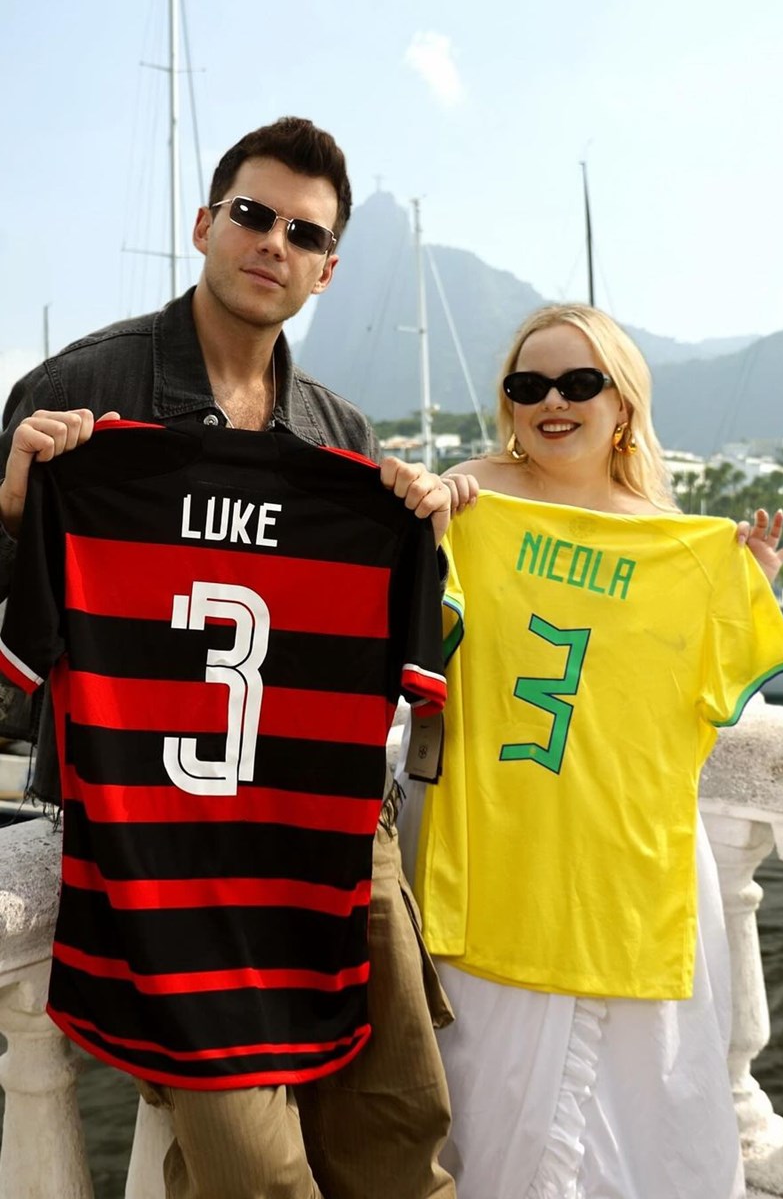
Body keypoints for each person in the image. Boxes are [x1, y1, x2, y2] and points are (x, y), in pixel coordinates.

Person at [0, 117, 456, 1199]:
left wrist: (423, 526)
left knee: (399, 1121)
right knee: (254, 1173)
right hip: (164, 851)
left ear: (327, 268)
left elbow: (423, 647)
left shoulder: (338, 438)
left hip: (331, 830)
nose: (273, 244)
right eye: (252, 216)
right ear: (204, 224)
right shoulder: (81, 396)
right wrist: (16, 509)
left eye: (303, 233)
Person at [401, 303, 783, 1199]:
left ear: (621, 403)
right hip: (498, 857)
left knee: (644, 1115)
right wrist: (427, 521)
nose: (553, 401)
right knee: (486, 1105)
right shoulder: (471, 498)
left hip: (625, 870)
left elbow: (708, 679)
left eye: (579, 383)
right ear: (506, 402)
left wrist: (746, 588)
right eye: (527, 384)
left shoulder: (674, 542)